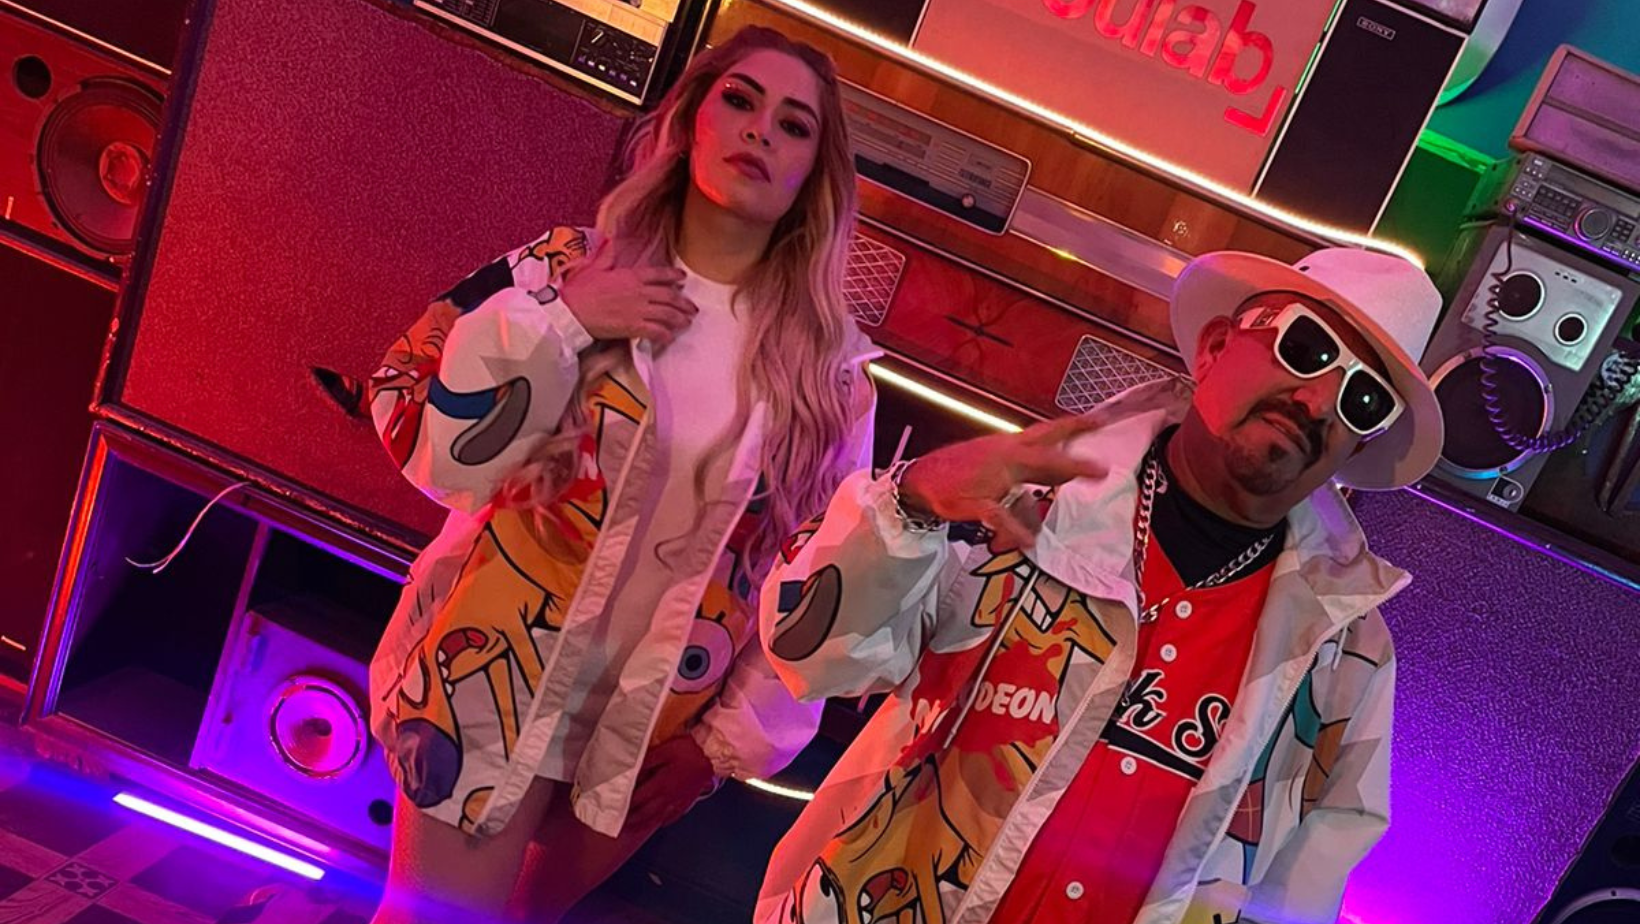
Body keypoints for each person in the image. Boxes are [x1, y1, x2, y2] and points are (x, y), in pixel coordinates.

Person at [755, 248, 1445, 924]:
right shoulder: (1019, 504)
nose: (1318, 400)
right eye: (1306, 347)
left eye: (1363, 399)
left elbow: (1300, 892)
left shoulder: (1345, 655)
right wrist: (915, 501)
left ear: (1358, 444)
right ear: (1215, 347)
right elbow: (809, 655)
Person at [363, 25, 876, 924]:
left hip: (644, 735)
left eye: (795, 125)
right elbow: (427, 433)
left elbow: (818, 585)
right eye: (741, 100)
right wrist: (567, 318)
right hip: (490, 679)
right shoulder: (573, 265)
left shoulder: (828, 376)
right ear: (691, 120)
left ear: (812, 176)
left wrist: (722, 747)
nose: (761, 130)